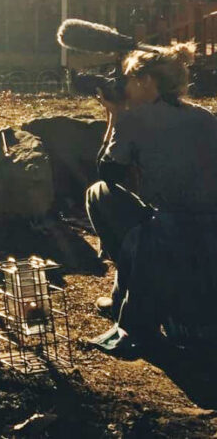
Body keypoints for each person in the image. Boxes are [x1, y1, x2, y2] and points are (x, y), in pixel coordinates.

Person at [85, 39, 217, 355]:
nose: (125, 86)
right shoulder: (205, 116)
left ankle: (123, 293)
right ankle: (123, 293)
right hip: (209, 227)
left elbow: (108, 173)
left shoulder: (135, 118)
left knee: (98, 195)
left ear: (146, 81)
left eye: (129, 79)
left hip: (171, 229)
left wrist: (114, 115)